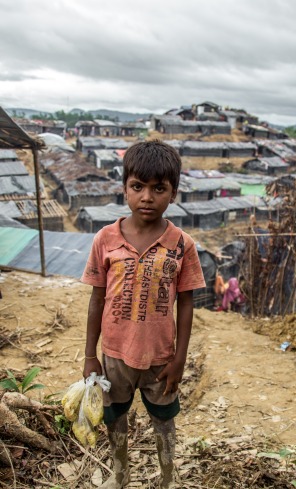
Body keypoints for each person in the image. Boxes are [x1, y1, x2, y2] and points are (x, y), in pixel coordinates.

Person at [81, 140, 206, 489]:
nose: (147, 197)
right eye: (138, 187)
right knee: (114, 418)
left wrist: (179, 358)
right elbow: (96, 298)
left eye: (158, 189)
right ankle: (120, 474)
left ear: (174, 193)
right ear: (125, 189)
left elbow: (186, 303)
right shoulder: (105, 239)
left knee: (165, 422)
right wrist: (91, 355)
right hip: (115, 356)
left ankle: (166, 479)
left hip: (160, 358)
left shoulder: (182, 244)